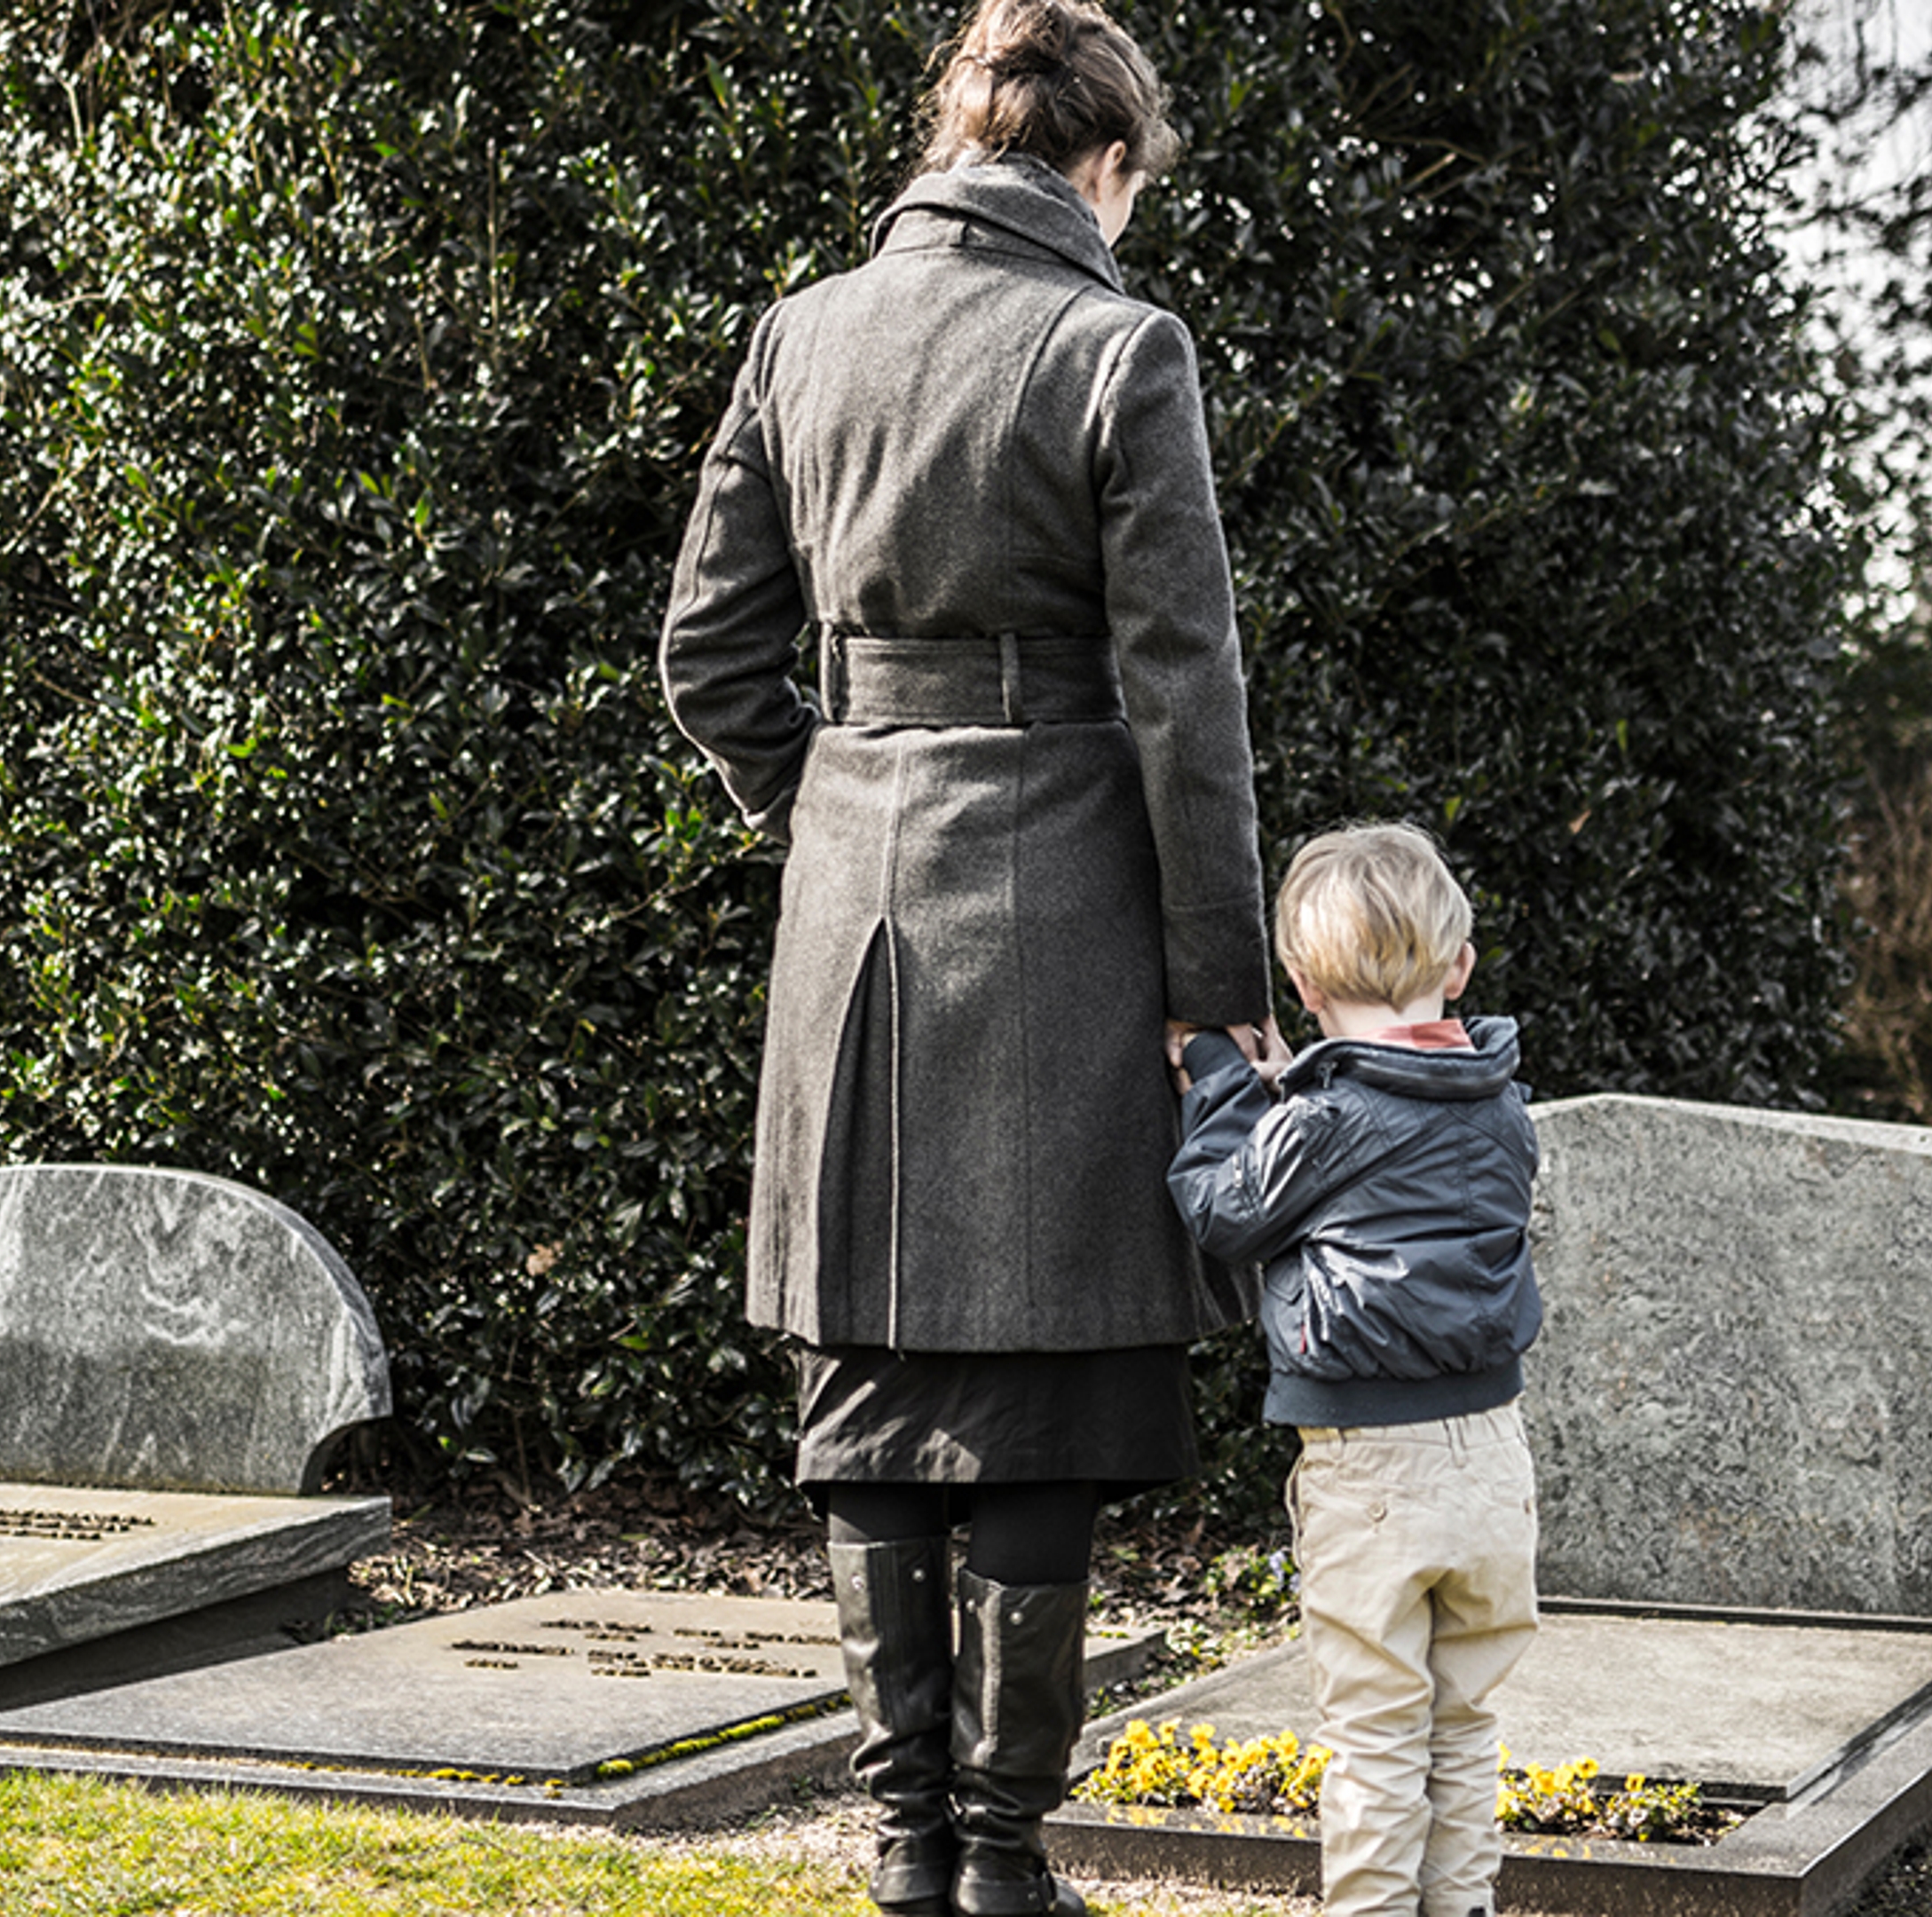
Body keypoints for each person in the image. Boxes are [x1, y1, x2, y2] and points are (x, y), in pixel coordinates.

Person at [656, 3, 1271, 1913]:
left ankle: (911, 1855)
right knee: (1042, 1385)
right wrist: (1219, 984)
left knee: (871, 1368)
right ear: (1104, 162)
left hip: (851, 912)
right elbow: (1186, 700)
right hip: (1068, 905)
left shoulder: (804, 329)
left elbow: (707, 653)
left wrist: (831, 805)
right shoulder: (1116, 346)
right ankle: (1001, 1862)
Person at [1163, 822, 1543, 1917]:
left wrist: (1225, 1081)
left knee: (1374, 1736)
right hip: (1491, 1461)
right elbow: (1394, 1126)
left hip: (1370, 1471)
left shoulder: (1321, 1120)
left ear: (1302, 979)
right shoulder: (1501, 1107)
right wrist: (1298, 1081)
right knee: (1463, 1728)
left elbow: (1225, 1208)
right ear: (1460, 967)